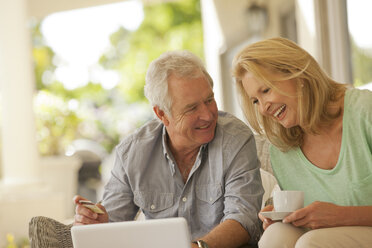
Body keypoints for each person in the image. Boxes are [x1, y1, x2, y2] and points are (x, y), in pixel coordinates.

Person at [74, 50, 264, 248]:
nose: (207, 115)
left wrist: (198, 247)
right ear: (162, 114)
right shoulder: (132, 153)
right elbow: (113, 226)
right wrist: (97, 224)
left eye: (209, 100)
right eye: (192, 108)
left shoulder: (236, 140)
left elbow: (244, 219)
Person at [232, 37, 372, 248]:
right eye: (255, 101)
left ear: (298, 74)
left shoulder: (364, 112)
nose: (262, 109)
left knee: (311, 243)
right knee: (276, 236)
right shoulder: (282, 150)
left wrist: (341, 215)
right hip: (329, 239)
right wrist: (288, 215)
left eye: (266, 90)